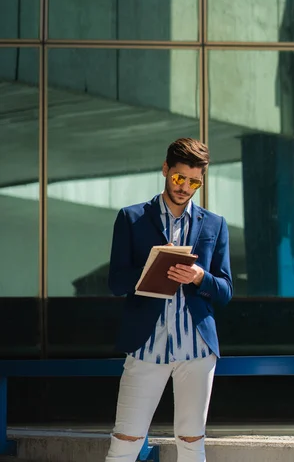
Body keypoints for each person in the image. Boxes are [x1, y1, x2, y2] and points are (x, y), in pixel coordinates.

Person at [105, 137, 233, 462]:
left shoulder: (215, 225)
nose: (185, 187)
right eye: (179, 178)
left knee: (192, 442)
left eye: (194, 182)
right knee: (125, 441)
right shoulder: (131, 218)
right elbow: (115, 282)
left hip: (197, 349)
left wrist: (199, 277)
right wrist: (150, 270)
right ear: (165, 170)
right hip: (146, 345)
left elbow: (226, 290)